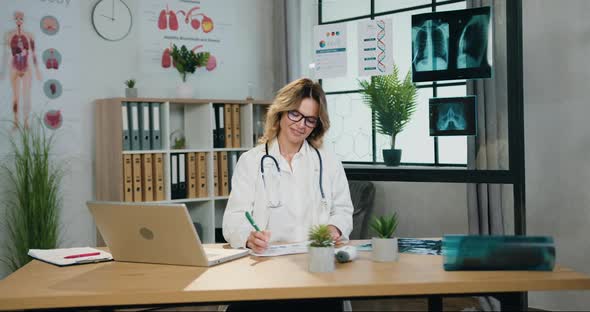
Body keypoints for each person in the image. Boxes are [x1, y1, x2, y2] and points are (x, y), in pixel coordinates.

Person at [222, 78, 353, 311]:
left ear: (317, 124)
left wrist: (335, 228)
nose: (301, 125)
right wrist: (248, 236)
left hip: (315, 268)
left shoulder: (329, 162)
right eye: (295, 114)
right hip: (265, 269)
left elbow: (343, 210)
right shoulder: (251, 161)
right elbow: (233, 219)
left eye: (310, 119)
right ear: (281, 113)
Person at [0, 11, 42, 129]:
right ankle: (15, 122)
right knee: (15, 96)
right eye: (16, 18)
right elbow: (5, 55)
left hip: (26, 68)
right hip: (14, 67)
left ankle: (26, 122)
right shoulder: (8, 35)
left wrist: (37, 70)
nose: (19, 20)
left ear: (24, 20)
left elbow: (33, 54)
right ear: (13, 19)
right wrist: (2, 71)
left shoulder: (30, 36)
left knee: (26, 95)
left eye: (21, 18)